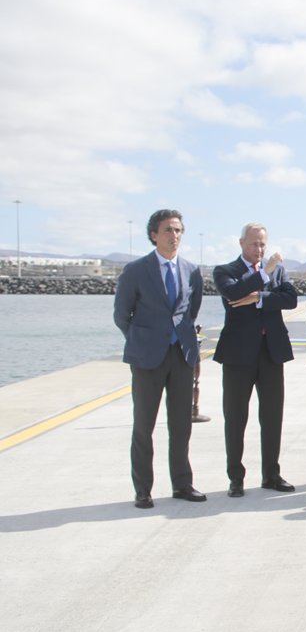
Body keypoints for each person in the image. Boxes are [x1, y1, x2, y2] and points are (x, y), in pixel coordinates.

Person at [113, 209, 206, 509]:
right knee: (144, 426)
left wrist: (177, 337)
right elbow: (121, 315)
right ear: (154, 235)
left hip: (181, 356)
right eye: (167, 230)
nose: (174, 235)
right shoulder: (136, 270)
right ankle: (143, 490)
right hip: (147, 358)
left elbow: (190, 312)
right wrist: (143, 340)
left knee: (181, 425)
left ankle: (182, 484)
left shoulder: (192, 270)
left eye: (178, 230)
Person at [212, 222, 298, 497]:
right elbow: (233, 294)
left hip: (271, 352)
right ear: (241, 243)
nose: (259, 249)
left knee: (272, 416)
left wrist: (258, 298)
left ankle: (271, 475)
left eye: (262, 244)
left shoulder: (278, 270)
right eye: (253, 243)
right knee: (236, 417)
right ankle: (235, 478)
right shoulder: (225, 271)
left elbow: (290, 299)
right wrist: (264, 274)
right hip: (238, 354)